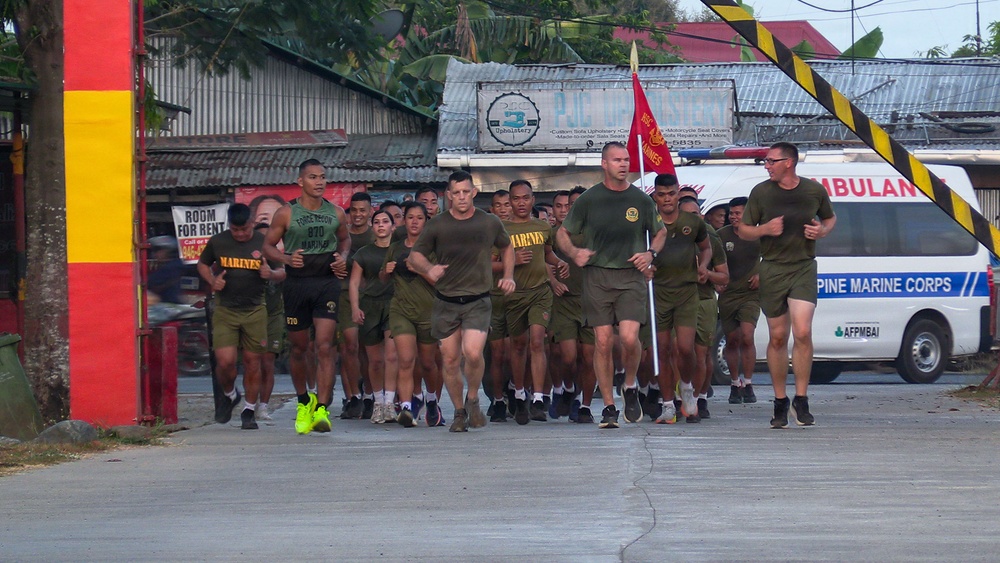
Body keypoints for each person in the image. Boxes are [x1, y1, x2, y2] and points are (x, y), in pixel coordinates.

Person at [556, 142, 667, 429]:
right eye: (616, 160)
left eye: (626, 159)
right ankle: (607, 406)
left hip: (631, 275)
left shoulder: (641, 199)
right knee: (603, 342)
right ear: (604, 163)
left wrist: (650, 254)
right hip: (597, 277)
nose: (623, 164)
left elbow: (660, 231)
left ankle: (629, 384)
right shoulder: (589, 200)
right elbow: (563, 233)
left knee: (630, 339)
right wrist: (574, 252)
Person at [408, 170, 515, 432]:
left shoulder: (488, 222)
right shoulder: (437, 224)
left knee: (473, 352)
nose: (462, 197)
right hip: (446, 301)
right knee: (451, 359)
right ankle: (458, 412)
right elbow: (415, 256)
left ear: (474, 193)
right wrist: (428, 269)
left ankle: (474, 397)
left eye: (466, 192)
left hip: (478, 300)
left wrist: (509, 275)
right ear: (449, 195)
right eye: (456, 193)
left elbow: (507, 247)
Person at [738, 142, 836, 428]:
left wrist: (822, 231)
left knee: (803, 331)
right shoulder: (761, 192)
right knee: (778, 337)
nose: (766, 165)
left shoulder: (813, 191)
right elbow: (744, 230)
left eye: (770, 161)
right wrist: (764, 230)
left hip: (804, 266)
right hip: (772, 268)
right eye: (765, 162)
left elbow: (830, 218)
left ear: (789, 162)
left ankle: (802, 399)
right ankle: (780, 400)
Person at [263, 159, 351, 434]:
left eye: (323, 177)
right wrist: (286, 259)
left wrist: (342, 258)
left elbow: (346, 240)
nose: (320, 182)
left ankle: (323, 409)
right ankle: (304, 401)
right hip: (296, 285)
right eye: (313, 177)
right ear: (300, 181)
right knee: (300, 348)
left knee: (325, 346)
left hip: (326, 282)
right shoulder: (286, 213)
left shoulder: (336, 212)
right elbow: (267, 246)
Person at [197, 204, 279, 430]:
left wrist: (270, 273)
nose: (241, 234)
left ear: (252, 223)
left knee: (253, 363)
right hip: (225, 310)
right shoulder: (218, 242)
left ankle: (249, 410)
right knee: (225, 362)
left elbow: (283, 271)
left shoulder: (264, 244)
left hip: (255, 310)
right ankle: (230, 393)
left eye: (244, 229)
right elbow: (203, 264)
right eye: (236, 230)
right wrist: (213, 280)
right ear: (229, 226)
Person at [503, 180, 567, 424]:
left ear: (532, 199)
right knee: (518, 346)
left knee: (538, 341)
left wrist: (558, 262)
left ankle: (539, 397)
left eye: (526, 198)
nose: (521, 203)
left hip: (540, 292)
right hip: (514, 294)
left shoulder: (542, 226)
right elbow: (490, 263)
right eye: (516, 198)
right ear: (510, 201)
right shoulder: (502, 229)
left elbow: (547, 253)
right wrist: (513, 260)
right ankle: (520, 393)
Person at [648, 177, 711, 424]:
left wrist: (704, 267)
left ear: (678, 195)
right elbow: (638, 251)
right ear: (655, 196)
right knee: (661, 351)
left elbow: (706, 248)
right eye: (662, 194)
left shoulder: (692, 223)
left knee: (685, 348)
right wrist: (645, 267)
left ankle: (686, 387)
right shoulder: (649, 223)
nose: (666, 198)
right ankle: (667, 406)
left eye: (671, 194)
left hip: (686, 292)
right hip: (658, 293)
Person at [383, 202, 443, 427]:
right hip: (401, 310)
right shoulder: (395, 246)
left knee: (428, 363)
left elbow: (439, 282)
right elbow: (383, 277)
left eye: (419, 217)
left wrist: (419, 268)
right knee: (406, 359)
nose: (415, 221)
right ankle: (406, 407)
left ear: (426, 222)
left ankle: (431, 400)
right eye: (410, 217)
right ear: (404, 221)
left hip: (428, 312)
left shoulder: (432, 249)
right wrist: (385, 271)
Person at [679, 195, 730, 420]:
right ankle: (674, 399)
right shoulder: (666, 236)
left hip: (703, 301)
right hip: (675, 300)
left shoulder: (711, 238)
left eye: (698, 213)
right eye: (689, 215)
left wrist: (706, 273)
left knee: (701, 354)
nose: (696, 218)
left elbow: (724, 277)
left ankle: (699, 399)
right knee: (677, 351)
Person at [549, 189, 596, 423]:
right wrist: (553, 280)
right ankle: (568, 389)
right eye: (570, 204)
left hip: (591, 302)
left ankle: (585, 405)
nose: (572, 207)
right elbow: (544, 259)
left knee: (589, 358)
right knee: (568, 356)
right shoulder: (557, 233)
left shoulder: (597, 233)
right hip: (565, 302)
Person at [350, 209, 399, 424]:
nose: (381, 225)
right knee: (375, 360)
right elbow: (353, 282)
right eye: (377, 222)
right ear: (372, 226)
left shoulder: (399, 251)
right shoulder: (363, 252)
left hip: (394, 305)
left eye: (385, 221)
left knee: (391, 356)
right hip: (370, 305)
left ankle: (390, 403)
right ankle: (378, 402)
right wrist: (354, 307)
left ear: (392, 226)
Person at [716, 197, 762, 405]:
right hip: (728, 294)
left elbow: (772, 257)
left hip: (750, 294)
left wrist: (761, 274)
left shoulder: (758, 234)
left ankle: (749, 382)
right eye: (731, 213)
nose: (734, 217)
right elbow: (710, 258)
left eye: (738, 213)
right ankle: (735, 383)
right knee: (732, 339)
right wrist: (715, 280)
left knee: (747, 335)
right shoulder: (721, 236)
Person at [338, 192, 375, 419]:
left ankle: (371, 395)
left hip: (370, 298)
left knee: (368, 351)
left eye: (363, 210)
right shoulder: (341, 238)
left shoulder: (375, 236)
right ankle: (353, 397)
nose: (358, 214)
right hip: (343, 295)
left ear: (370, 211)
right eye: (354, 210)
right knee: (349, 347)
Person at [253, 221, 287, 421]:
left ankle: (263, 406)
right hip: (250, 315)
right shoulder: (244, 258)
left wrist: (270, 274)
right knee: (251, 363)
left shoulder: (276, 259)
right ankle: (248, 402)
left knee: (267, 363)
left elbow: (283, 273)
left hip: (273, 316)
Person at [148, 236, 185, 304]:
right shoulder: (171, 265)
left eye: (157, 250)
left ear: (168, 251)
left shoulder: (171, 267)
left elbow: (150, 283)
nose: (154, 254)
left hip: (170, 305)